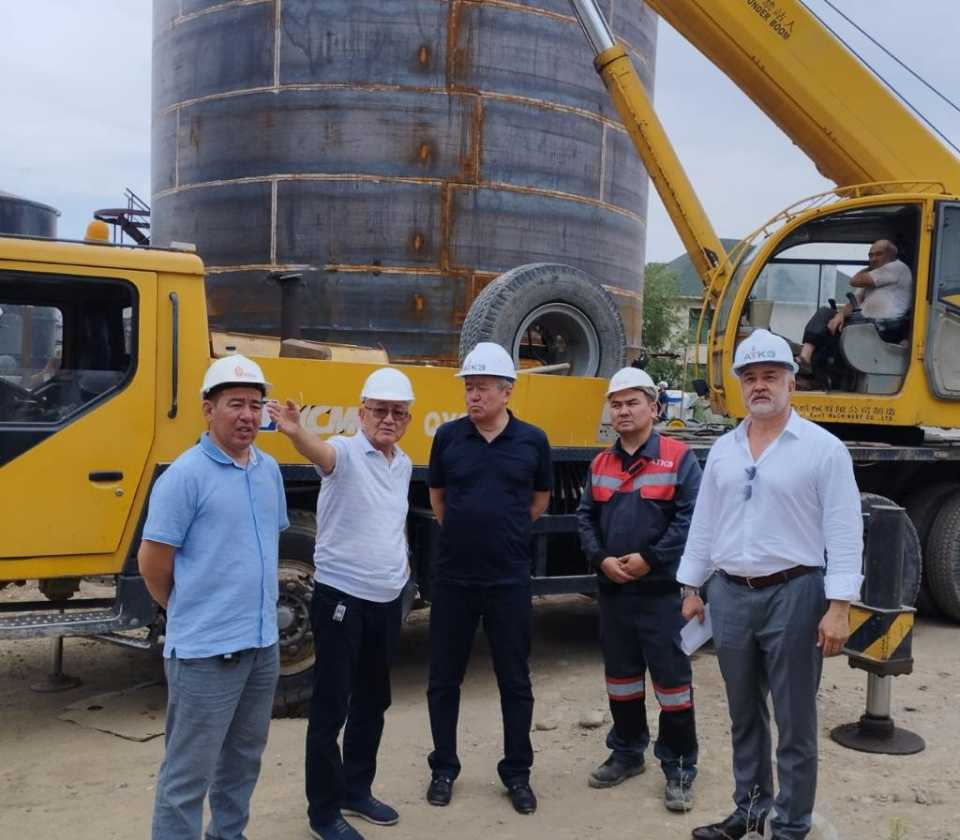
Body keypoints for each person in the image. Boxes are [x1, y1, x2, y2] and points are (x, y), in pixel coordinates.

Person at [677, 329, 863, 840]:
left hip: (795, 594)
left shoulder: (823, 450)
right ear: (740, 385)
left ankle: (791, 825)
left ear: (791, 382)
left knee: (795, 719)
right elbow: (705, 523)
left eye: (771, 376)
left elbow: (844, 530)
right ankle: (751, 810)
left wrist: (839, 605)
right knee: (744, 713)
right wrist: (691, 588)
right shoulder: (724, 450)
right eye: (751, 377)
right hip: (730, 594)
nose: (760, 385)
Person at [138, 354, 289, 840]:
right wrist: (186, 609)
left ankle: (228, 834)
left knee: (243, 761)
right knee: (188, 774)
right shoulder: (184, 476)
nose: (248, 415)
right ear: (208, 409)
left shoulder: (268, 471)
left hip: (262, 645)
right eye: (235, 404)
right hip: (205, 653)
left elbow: (263, 547)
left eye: (255, 405)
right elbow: (153, 562)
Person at [267, 367, 416, 840]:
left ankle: (356, 789)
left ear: (408, 419)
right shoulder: (346, 453)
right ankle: (323, 812)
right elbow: (321, 452)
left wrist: (402, 568)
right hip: (342, 599)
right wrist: (296, 432)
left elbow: (391, 521)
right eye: (379, 410)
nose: (388, 419)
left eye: (398, 412)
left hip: (386, 600)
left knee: (373, 700)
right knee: (331, 706)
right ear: (361, 413)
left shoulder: (403, 463)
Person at [425, 342, 552, 815]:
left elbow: (539, 500)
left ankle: (517, 773)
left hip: (509, 579)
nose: (472, 396)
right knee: (444, 678)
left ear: (507, 391)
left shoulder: (533, 440)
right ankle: (443, 768)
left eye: (481, 387)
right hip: (454, 578)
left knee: (514, 680)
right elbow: (438, 497)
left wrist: (505, 531)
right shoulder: (448, 437)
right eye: (469, 388)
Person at [576, 367, 701, 812]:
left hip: (662, 593)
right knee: (622, 679)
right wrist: (600, 559)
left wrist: (651, 557)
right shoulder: (600, 463)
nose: (624, 411)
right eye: (617, 404)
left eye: (633, 402)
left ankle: (680, 766)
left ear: (654, 407)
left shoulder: (678, 458)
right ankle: (627, 752)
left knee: (672, 684)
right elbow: (585, 517)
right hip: (614, 593)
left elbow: (691, 518)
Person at [797, 239, 913, 370]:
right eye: (870, 255)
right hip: (865, 323)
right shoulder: (876, 276)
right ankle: (810, 365)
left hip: (886, 326)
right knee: (829, 327)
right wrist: (840, 315)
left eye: (878, 254)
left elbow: (854, 280)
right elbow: (854, 301)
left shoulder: (897, 268)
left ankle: (806, 355)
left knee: (826, 314)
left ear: (891, 255)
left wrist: (869, 267)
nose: (873, 259)